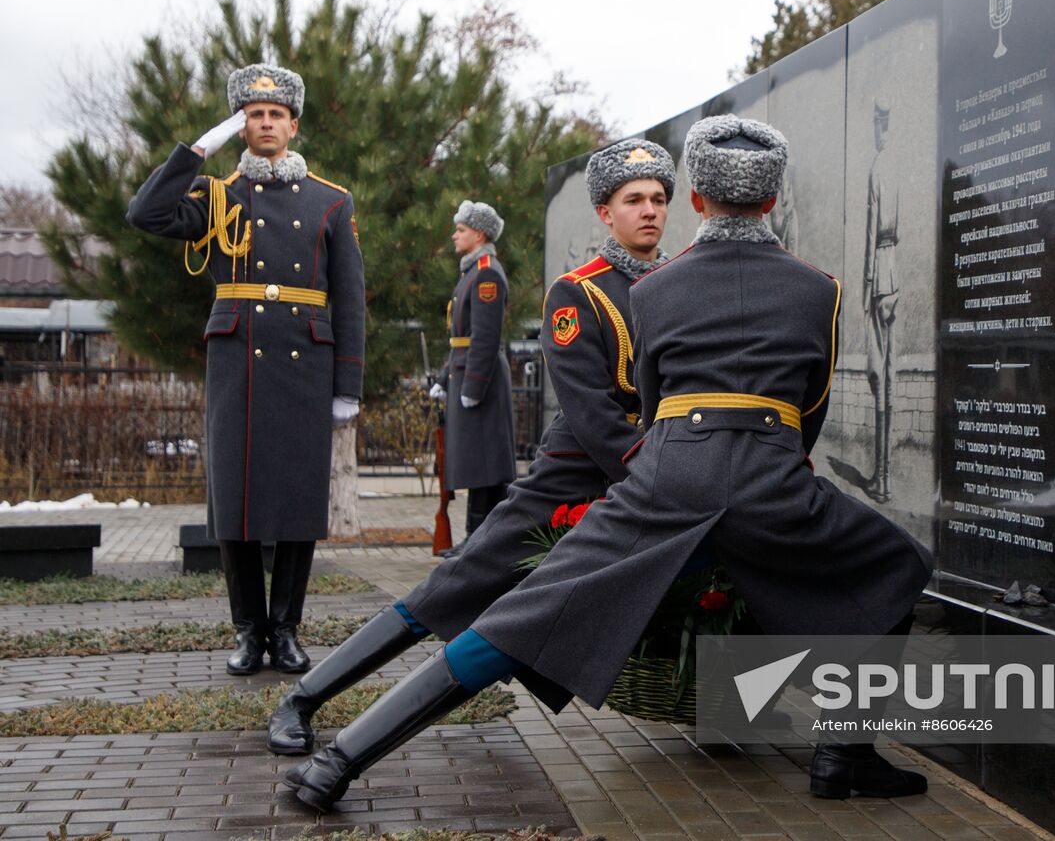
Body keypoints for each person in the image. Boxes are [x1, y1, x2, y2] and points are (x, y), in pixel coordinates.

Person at [284, 115, 934, 812]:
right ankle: (844, 752)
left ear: (694, 202)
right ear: (772, 200)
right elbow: (810, 412)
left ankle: (338, 764)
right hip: (772, 478)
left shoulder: (654, 292)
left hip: (665, 475)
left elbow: (653, 406)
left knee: (517, 618)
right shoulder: (822, 290)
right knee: (899, 565)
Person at [267, 138, 675, 756]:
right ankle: (302, 699)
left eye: (660, 199)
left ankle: (772, 721)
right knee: (451, 589)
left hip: (648, 480)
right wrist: (655, 471)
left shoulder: (681, 285)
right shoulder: (578, 292)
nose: (650, 210)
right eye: (634, 199)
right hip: (576, 477)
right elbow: (592, 414)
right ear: (605, 213)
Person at [127, 64, 364, 675]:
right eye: (253, 115)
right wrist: (194, 150)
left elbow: (350, 297)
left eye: (275, 115)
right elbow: (145, 214)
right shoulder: (216, 194)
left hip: (303, 363)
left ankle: (285, 630)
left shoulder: (330, 201)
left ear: (292, 124)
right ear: (242, 126)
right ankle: (247, 633)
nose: (265, 124)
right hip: (239, 363)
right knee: (234, 505)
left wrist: (348, 385)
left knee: (294, 503)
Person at [430, 201, 515, 542]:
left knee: (485, 467)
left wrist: (472, 387)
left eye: (461, 230)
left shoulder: (487, 274)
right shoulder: (472, 271)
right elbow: (461, 338)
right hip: (466, 374)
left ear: (478, 234)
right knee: (479, 466)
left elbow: (484, 337)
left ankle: (477, 540)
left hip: (482, 381)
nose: (454, 235)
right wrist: (443, 379)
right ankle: (476, 540)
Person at [862, 96, 899, 501]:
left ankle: (882, 479)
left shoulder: (878, 166)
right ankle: (884, 475)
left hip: (881, 277)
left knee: (879, 377)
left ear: (880, 124)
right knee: (889, 377)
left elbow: (873, 227)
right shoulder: (899, 164)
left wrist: (868, 281)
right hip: (898, 272)